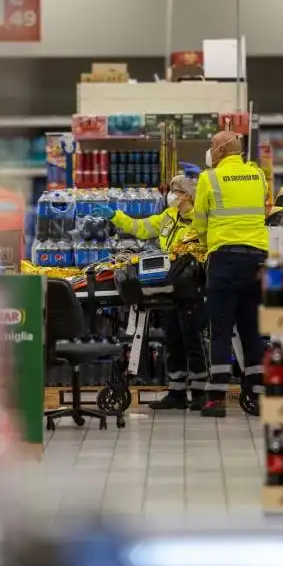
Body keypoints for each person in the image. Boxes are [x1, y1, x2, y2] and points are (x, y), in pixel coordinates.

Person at [92, 175, 208, 411]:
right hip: (169, 285)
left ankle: (199, 391)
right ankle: (176, 391)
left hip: (191, 286)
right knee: (172, 338)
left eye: (175, 191)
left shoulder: (200, 220)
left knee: (192, 338)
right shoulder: (168, 217)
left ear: (186, 196)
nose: (170, 195)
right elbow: (142, 228)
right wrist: (116, 216)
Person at [193, 131, 268, 418]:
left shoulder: (208, 179)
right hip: (258, 259)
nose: (210, 150)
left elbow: (200, 221)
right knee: (253, 329)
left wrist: (204, 244)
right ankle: (257, 395)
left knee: (221, 329)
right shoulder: (258, 175)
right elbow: (263, 210)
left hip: (224, 259)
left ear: (222, 150)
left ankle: (216, 399)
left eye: (212, 145)